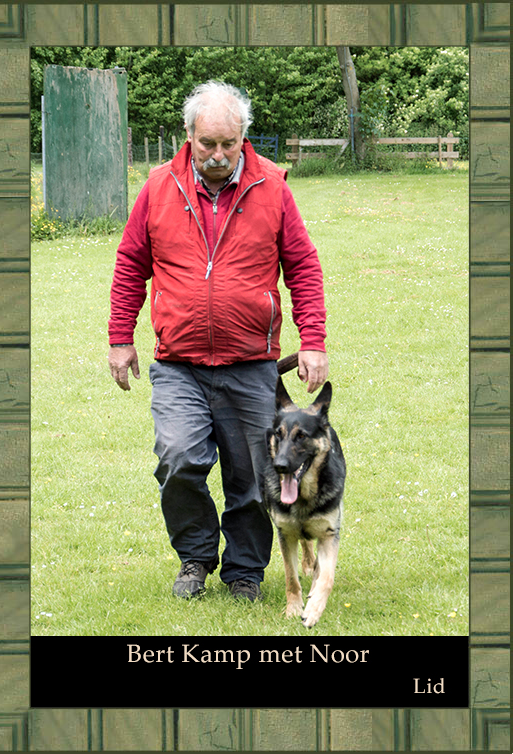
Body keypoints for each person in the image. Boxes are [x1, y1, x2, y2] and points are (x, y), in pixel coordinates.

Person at [108, 80, 328, 602]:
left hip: (251, 363)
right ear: (188, 135)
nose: (218, 154)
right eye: (207, 143)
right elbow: (131, 263)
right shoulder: (158, 187)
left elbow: (302, 265)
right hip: (178, 364)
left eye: (229, 143)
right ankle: (195, 556)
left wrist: (313, 339)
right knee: (178, 459)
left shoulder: (271, 187)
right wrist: (120, 337)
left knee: (254, 473)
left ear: (242, 136)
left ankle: (245, 571)